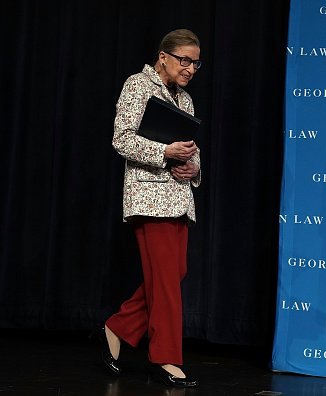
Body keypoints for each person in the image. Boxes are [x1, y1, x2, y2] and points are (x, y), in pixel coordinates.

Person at [100, 28, 202, 388]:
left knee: (173, 274)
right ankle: (166, 358)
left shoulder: (184, 100)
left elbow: (192, 148)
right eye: (184, 60)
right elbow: (122, 138)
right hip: (149, 197)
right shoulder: (137, 86)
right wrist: (164, 153)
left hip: (179, 197)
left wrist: (193, 166)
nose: (190, 68)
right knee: (166, 281)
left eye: (195, 62)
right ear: (164, 57)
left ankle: (119, 326)